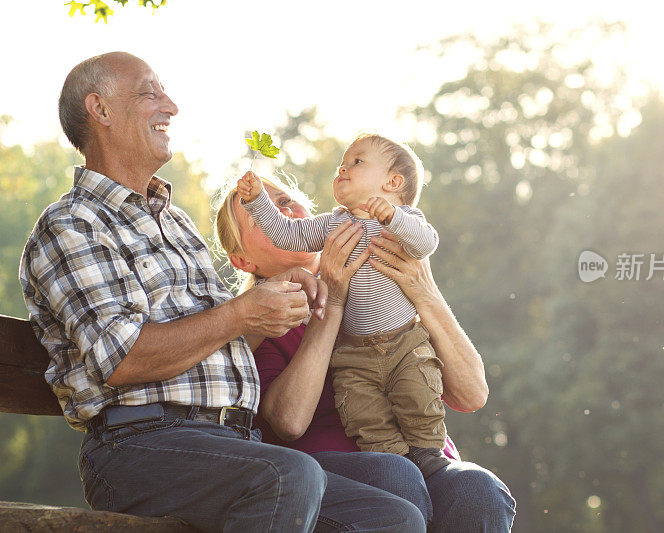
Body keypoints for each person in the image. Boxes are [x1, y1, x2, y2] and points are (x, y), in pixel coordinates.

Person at [18, 51, 426, 532]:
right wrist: (241, 314)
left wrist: (273, 301)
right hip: (137, 447)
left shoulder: (174, 222)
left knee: (391, 513)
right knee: (286, 474)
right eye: (150, 93)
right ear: (100, 110)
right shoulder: (73, 224)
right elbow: (121, 360)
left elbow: (214, 338)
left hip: (234, 440)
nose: (170, 105)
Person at [216, 173, 517, 531]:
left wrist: (424, 291)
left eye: (285, 199)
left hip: (426, 459)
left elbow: (471, 394)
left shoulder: (384, 282)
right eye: (260, 209)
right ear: (244, 262)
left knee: (478, 489)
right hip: (337, 474)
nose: (284, 210)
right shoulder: (260, 322)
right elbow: (289, 422)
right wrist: (333, 295)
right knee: (395, 474)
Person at [237, 134, 450, 476]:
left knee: (419, 395)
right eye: (345, 161)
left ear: (393, 182)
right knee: (363, 412)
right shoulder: (333, 224)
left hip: (405, 341)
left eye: (357, 162)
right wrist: (257, 201)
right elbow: (287, 234)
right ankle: (397, 460)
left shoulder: (405, 220)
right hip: (354, 354)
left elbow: (426, 242)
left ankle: (428, 454)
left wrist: (394, 218)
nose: (343, 166)